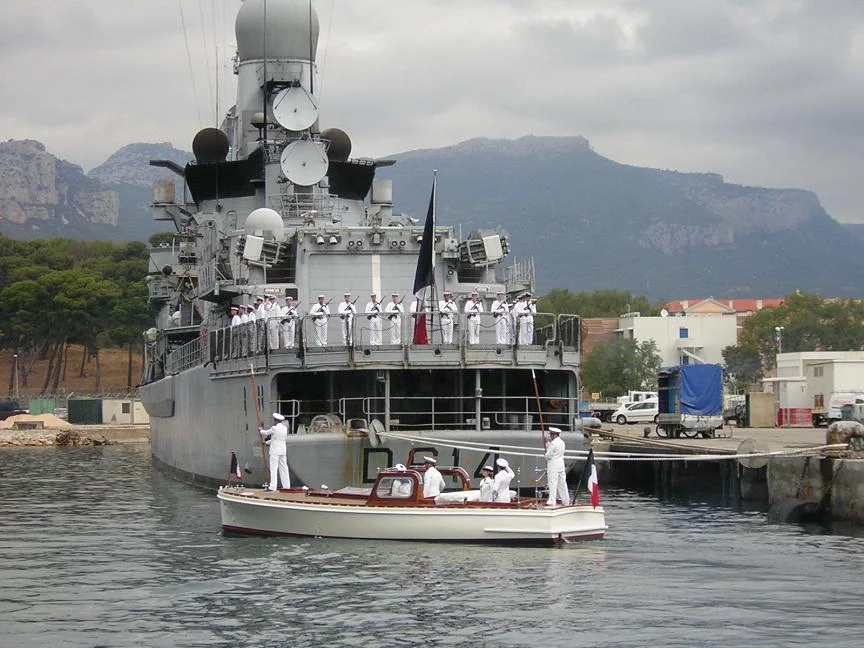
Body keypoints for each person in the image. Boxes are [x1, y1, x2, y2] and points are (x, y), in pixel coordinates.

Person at [259, 412, 290, 492]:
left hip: (275, 451)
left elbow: (266, 433)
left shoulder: (274, 428)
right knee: (284, 468)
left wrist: (260, 430)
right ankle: (286, 486)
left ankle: (272, 487)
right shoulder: (285, 428)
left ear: (276, 420)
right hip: (283, 451)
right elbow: (275, 439)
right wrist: (266, 443)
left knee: (273, 468)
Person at [544, 427, 568, 507]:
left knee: (552, 483)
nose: (550, 436)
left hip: (553, 467)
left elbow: (548, 456)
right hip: (561, 466)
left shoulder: (553, 443)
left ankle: (552, 501)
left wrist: (545, 453)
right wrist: (548, 443)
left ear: (554, 435)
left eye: (551, 434)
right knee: (562, 484)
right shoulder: (562, 442)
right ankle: (566, 500)